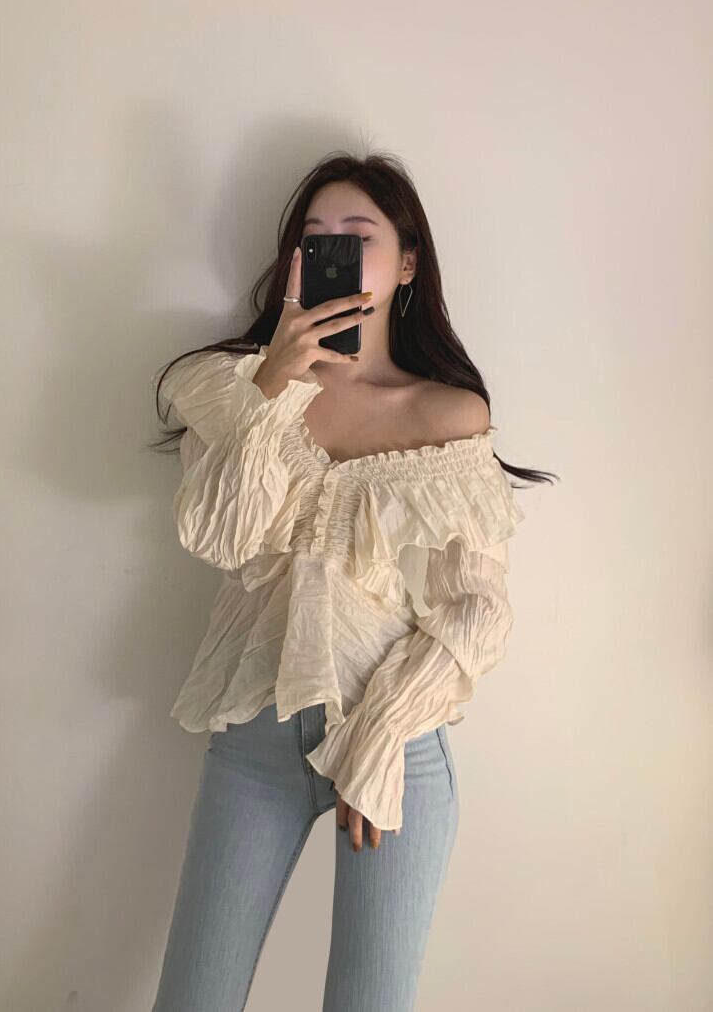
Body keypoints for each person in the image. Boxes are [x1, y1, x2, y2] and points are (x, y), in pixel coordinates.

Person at [149, 152, 555, 1011]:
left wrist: (381, 733)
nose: (333, 251)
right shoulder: (233, 387)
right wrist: (270, 388)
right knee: (192, 998)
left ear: (406, 263)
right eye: (315, 238)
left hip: (394, 740)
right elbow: (222, 540)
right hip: (255, 743)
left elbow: (478, 608)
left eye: (358, 237)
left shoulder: (448, 414)